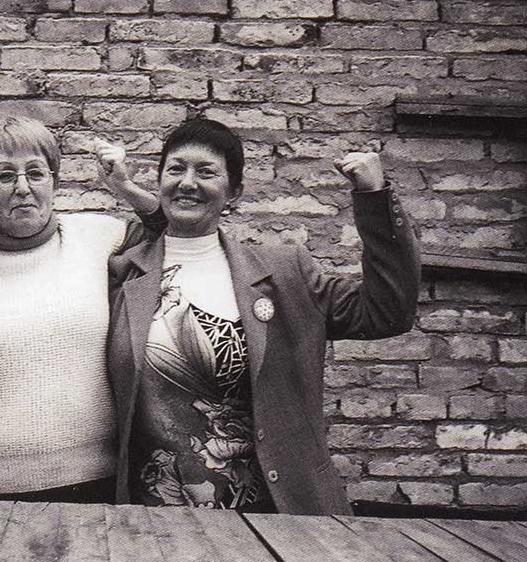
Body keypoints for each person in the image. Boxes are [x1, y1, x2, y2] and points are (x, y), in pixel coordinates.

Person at [105, 118, 420, 515]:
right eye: (175, 169)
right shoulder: (123, 273)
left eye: (206, 172)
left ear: (234, 192)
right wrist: (126, 189)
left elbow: (387, 312)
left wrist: (374, 196)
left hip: (275, 513)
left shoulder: (284, 271)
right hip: (158, 515)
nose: (188, 182)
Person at [0, 116, 160, 503]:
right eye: (5, 176)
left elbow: (179, 230)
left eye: (36, 173)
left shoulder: (95, 236)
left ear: (54, 182)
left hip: (90, 481)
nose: (23, 188)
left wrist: (125, 186)